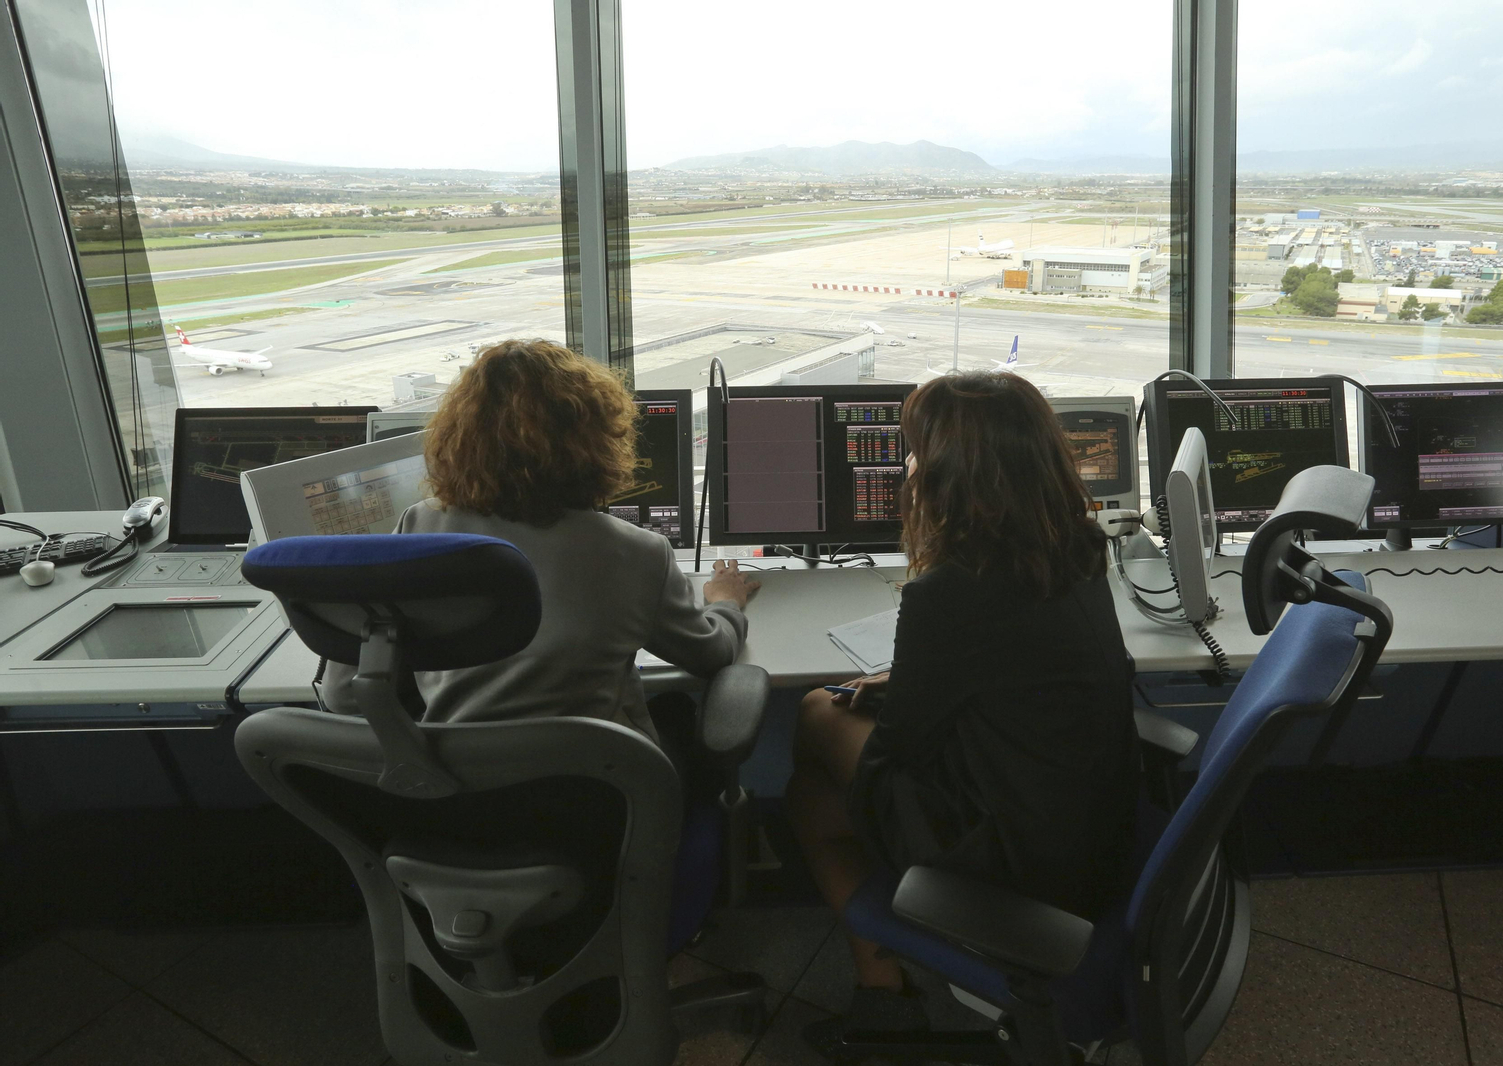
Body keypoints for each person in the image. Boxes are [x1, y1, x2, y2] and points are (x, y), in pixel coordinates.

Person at [785, 370, 1139, 1044]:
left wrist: (896, 693)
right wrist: (913, 679)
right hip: (1091, 828)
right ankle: (881, 994)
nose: (910, 466)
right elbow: (1023, 666)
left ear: (951, 473)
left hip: (1021, 861)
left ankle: (887, 993)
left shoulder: (948, 593)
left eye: (917, 451)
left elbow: (900, 751)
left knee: (815, 715)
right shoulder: (1078, 546)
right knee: (812, 798)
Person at [321, 338, 758, 771]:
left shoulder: (419, 526)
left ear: (458, 439)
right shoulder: (638, 552)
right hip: (602, 794)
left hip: (460, 793)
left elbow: (343, 695)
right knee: (676, 711)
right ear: (599, 442)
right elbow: (711, 655)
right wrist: (725, 603)